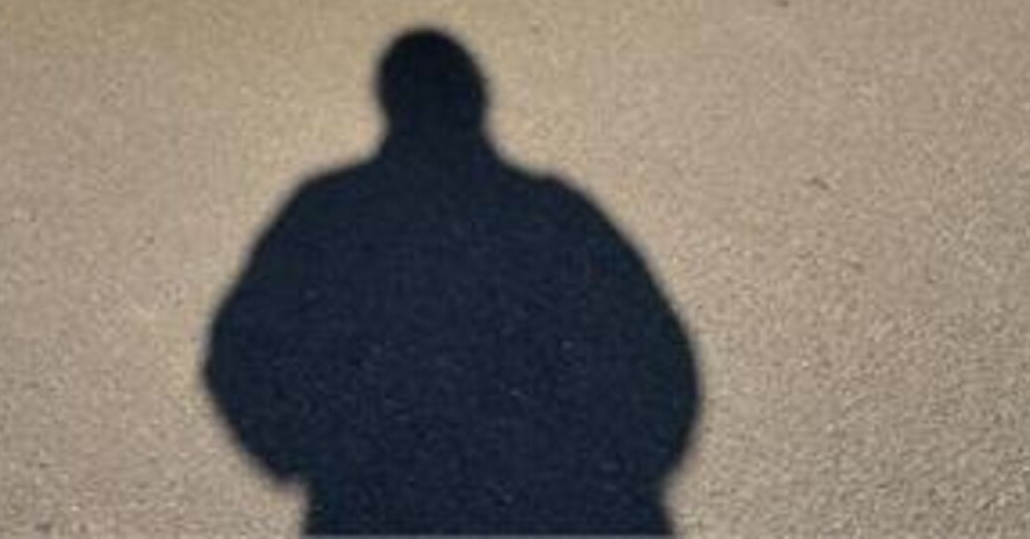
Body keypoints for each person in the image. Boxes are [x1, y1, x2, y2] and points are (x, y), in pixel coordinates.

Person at [203, 31, 700, 535]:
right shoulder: (552, 209)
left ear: (387, 102)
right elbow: (656, 350)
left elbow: (240, 344)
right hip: (546, 505)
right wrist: (626, 476)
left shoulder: (329, 205)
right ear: (479, 100)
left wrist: (294, 457)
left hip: (373, 505)